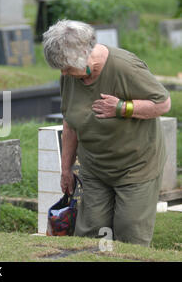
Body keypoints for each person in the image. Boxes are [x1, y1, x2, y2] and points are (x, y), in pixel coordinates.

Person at [42, 20, 171, 247]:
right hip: (94, 169)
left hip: (135, 168)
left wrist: (123, 108)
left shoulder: (125, 67)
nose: (63, 73)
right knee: (89, 234)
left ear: (85, 54)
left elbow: (162, 103)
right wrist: (66, 169)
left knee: (130, 236)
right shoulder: (70, 76)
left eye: (67, 66)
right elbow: (70, 124)